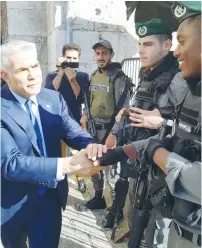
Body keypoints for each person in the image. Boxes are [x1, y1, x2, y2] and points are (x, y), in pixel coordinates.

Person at [88, 19, 188, 247]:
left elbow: (188, 130)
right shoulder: (147, 74)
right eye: (140, 43)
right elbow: (131, 112)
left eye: (148, 44)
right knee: (135, 220)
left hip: (163, 171)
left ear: (166, 45)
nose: (141, 50)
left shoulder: (180, 79)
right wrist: (116, 132)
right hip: (140, 162)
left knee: (157, 234)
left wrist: (163, 121)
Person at [0, 40, 102, 248]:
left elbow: (72, 131)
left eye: (35, 66)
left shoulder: (53, 99)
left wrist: (91, 145)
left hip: (49, 199)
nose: (32, 75)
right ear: (5, 75)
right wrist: (69, 165)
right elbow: (10, 163)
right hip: (11, 202)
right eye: (22, 69)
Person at [144, 2, 201, 248]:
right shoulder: (191, 89)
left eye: (183, 41)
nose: (176, 52)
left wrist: (159, 155)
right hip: (181, 226)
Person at [81, 39, 130, 210]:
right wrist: (86, 115)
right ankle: (98, 197)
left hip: (109, 130)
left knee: (111, 171)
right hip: (94, 129)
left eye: (104, 53)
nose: (100, 57)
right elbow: (90, 100)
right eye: (98, 53)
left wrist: (114, 133)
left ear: (111, 55)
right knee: (95, 165)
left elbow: (124, 109)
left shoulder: (118, 77)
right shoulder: (94, 75)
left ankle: (115, 209)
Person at [45, 43, 89, 193]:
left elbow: (82, 97)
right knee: (59, 151)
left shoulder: (83, 76)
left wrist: (72, 80)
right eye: (68, 58)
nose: (70, 61)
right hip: (55, 119)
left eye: (74, 58)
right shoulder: (52, 75)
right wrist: (61, 72)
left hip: (75, 119)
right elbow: (49, 92)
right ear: (63, 58)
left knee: (77, 151)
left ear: (79, 59)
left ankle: (79, 178)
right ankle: (60, 179)